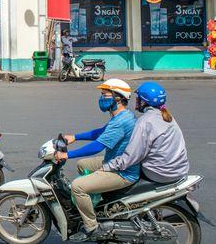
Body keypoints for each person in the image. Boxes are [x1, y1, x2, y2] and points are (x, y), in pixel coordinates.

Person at [56, 79, 139, 241]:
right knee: (83, 165)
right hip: (116, 161)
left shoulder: (121, 121)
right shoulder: (121, 115)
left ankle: (91, 227)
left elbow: (97, 146)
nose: (101, 98)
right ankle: (99, 204)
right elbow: (101, 132)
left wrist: (67, 155)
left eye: (105, 95)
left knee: (77, 187)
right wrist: (75, 137)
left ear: (118, 97)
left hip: (122, 171)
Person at [102, 82, 189, 184]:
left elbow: (131, 156)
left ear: (144, 101)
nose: (136, 100)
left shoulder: (145, 122)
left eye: (138, 98)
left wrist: (106, 167)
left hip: (159, 174)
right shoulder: (167, 117)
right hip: (180, 171)